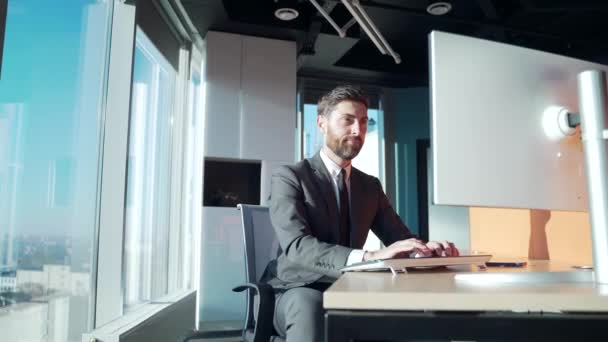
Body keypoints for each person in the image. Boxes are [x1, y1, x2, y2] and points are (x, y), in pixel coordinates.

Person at [265, 85, 458, 342]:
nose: (358, 131)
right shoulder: (290, 178)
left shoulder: (369, 186)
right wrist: (371, 256)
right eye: (348, 120)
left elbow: (399, 238)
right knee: (309, 307)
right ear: (321, 123)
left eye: (364, 122)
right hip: (297, 288)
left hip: (352, 286)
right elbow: (298, 247)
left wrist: (425, 251)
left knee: (415, 313)